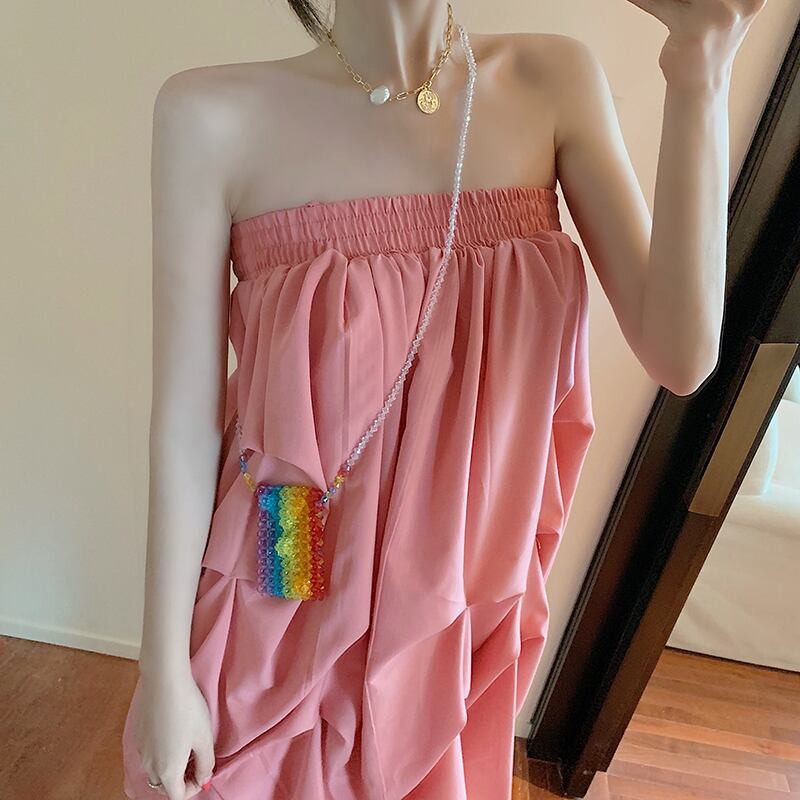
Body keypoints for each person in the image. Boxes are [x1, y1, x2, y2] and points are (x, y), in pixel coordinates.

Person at [121, 1, 767, 798]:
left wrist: (701, 69)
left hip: (456, 602)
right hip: (286, 568)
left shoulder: (550, 81)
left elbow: (681, 354)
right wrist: (162, 669)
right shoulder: (210, 116)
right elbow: (186, 425)